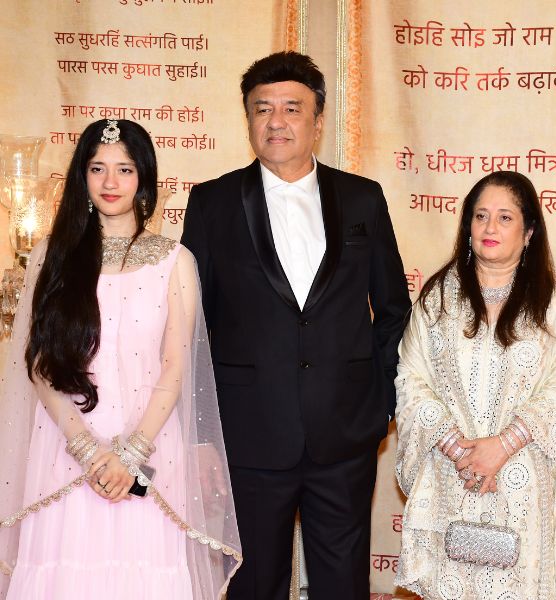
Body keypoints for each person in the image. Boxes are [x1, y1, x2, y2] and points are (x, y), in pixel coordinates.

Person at [181, 51, 410, 599]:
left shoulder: (363, 199)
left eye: (291, 108)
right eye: (263, 109)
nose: (276, 121)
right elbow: (190, 327)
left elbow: (394, 309)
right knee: (254, 583)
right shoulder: (211, 202)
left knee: (343, 583)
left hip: (345, 432)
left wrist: (381, 400)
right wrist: (202, 434)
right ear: (248, 119)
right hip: (247, 433)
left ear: (318, 120)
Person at [0, 119, 241, 599]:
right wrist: (87, 450)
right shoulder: (53, 256)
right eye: (98, 168)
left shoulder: (175, 261)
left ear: (144, 178)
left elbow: (175, 369)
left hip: (150, 451)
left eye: (125, 169)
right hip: (65, 450)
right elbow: (40, 364)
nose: (111, 182)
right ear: (82, 176)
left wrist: (131, 455)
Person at [394, 171, 556, 599]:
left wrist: (503, 445)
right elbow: (411, 379)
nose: (490, 227)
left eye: (505, 217)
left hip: (523, 478)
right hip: (452, 475)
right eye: (480, 216)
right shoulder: (438, 298)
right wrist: (459, 450)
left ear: (529, 232)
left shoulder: (553, 300)